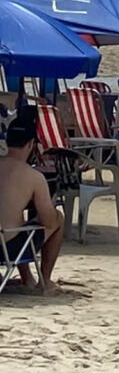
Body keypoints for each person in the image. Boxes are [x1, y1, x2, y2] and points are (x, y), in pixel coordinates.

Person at [0, 118, 65, 293]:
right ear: (31, 144)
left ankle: (27, 278)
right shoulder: (33, 176)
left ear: (7, 141)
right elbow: (49, 222)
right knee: (58, 218)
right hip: (6, 250)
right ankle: (45, 281)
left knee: (16, 220)